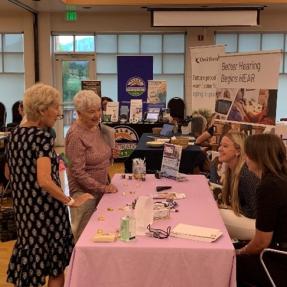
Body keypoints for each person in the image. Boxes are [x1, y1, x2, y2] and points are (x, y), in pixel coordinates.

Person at [4, 83, 93, 287]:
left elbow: (9, 173)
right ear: (42, 109)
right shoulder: (42, 137)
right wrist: (70, 200)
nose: (58, 112)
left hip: (26, 213)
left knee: (31, 267)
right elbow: (44, 180)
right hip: (48, 213)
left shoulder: (14, 136)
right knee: (55, 268)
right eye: (55, 107)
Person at [65, 90, 118, 241]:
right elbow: (77, 172)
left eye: (98, 109)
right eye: (91, 111)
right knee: (85, 238)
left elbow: (98, 158)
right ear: (79, 113)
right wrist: (103, 188)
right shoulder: (76, 135)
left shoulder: (97, 128)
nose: (97, 115)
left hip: (100, 188)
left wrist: (110, 154)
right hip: (84, 194)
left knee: (101, 234)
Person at [237, 133, 287, 287]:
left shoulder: (268, 187)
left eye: (247, 154)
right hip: (279, 251)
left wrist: (241, 251)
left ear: (257, 157)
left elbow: (261, 242)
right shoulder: (281, 179)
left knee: (230, 260)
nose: (245, 159)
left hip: (278, 259)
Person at [218, 131, 259, 240]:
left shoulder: (245, 174)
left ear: (238, 151)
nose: (220, 149)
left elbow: (255, 212)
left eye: (225, 146)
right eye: (220, 145)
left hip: (258, 226)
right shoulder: (231, 170)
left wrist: (231, 209)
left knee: (218, 215)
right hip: (250, 221)